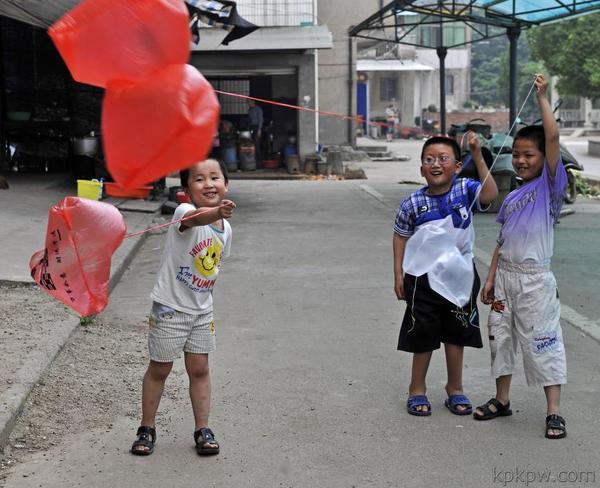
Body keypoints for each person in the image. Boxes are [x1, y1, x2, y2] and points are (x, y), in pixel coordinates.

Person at [474, 74, 568, 440]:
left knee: (543, 339)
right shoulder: (511, 198)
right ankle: (502, 399)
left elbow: (554, 137)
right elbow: (501, 240)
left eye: (529, 155)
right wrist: (492, 275)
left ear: (545, 159)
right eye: (516, 154)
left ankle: (554, 411)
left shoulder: (550, 187)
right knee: (500, 337)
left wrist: (543, 97)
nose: (521, 160)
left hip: (535, 282)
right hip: (505, 281)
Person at [131, 158, 236, 456]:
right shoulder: (184, 213)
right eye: (199, 179)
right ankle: (147, 427)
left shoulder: (226, 229)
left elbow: (213, 264)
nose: (208, 184)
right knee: (160, 368)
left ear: (226, 184)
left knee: (199, 368)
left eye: (214, 177)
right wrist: (215, 211)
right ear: (187, 189)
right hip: (171, 310)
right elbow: (197, 220)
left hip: (202, 311)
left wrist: (219, 216)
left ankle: (202, 428)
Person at [393, 133, 498, 416]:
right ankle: (417, 389)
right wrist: (398, 273)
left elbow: (490, 195)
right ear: (421, 169)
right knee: (422, 332)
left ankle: (455, 389)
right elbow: (401, 236)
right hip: (422, 279)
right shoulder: (412, 203)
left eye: (443, 159)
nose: (435, 164)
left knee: (456, 333)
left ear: (457, 165)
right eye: (429, 160)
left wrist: (477, 154)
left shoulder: (465, 189)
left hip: (459, 277)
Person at [248, 98, 263, 164]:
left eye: (249, 102)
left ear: (253, 101)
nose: (248, 104)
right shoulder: (249, 110)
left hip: (257, 128)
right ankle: (253, 161)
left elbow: (260, 120)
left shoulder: (258, 109)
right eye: (247, 102)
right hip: (252, 128)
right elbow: (250, 120)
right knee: (252, 145)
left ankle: (259, 162)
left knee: (257, 145)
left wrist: (259, 129)